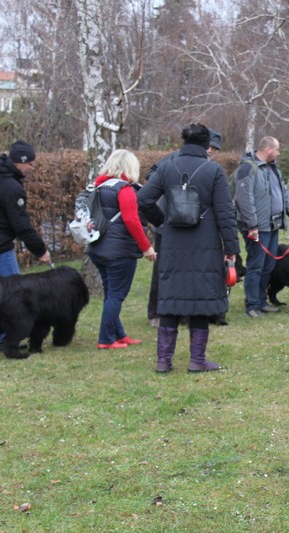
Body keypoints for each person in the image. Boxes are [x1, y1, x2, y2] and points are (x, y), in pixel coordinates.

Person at [138, 124, 240, 373]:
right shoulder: (214, 170)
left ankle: (163, 361)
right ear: (207, 146)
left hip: (173, 241)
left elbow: (142, 199)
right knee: (201, 300)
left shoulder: (165, 167)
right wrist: (231, 247)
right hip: (205, 242)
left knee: (170, 298)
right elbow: (225, 213)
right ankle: (197, 360)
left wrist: (163, 221)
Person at [0, 140, 52, 351]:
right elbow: (21, 225)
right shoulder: (11, 187)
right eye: (30, 164)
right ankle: (6, 338)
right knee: (15, 294)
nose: (32, 168)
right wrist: (40, 250)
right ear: (19, 162)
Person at [146, 128, 224, 328]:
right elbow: (150, 180)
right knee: (164, 270)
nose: (212, 152)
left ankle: (185, 312)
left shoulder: (208, 166)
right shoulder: (172, 161)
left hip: (192, 224)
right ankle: (156, 312)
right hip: (169, 222)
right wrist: (162, 218)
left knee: (189, 269)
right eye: (211, 147)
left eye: (215, 149)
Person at [87, 150, 157, 350]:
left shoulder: (98, 186)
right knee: (116, 295)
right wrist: (147, 248)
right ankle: (106, 339)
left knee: (111, 294)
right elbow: (131, 220)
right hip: (119, 251)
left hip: (97, 248)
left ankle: (119, 334)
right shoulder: (124, 189)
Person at [233, 136, 289, 318]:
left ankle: (261, 301)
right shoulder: (247, 168)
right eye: (277, 149)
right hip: (257, 228)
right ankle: (251, 305)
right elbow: (244, 199)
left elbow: (284, 194)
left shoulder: (273, 169)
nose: (279, 153)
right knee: (256, 265)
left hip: (272, 225)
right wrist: (252, 225)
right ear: (268, 150)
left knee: (268, 265)